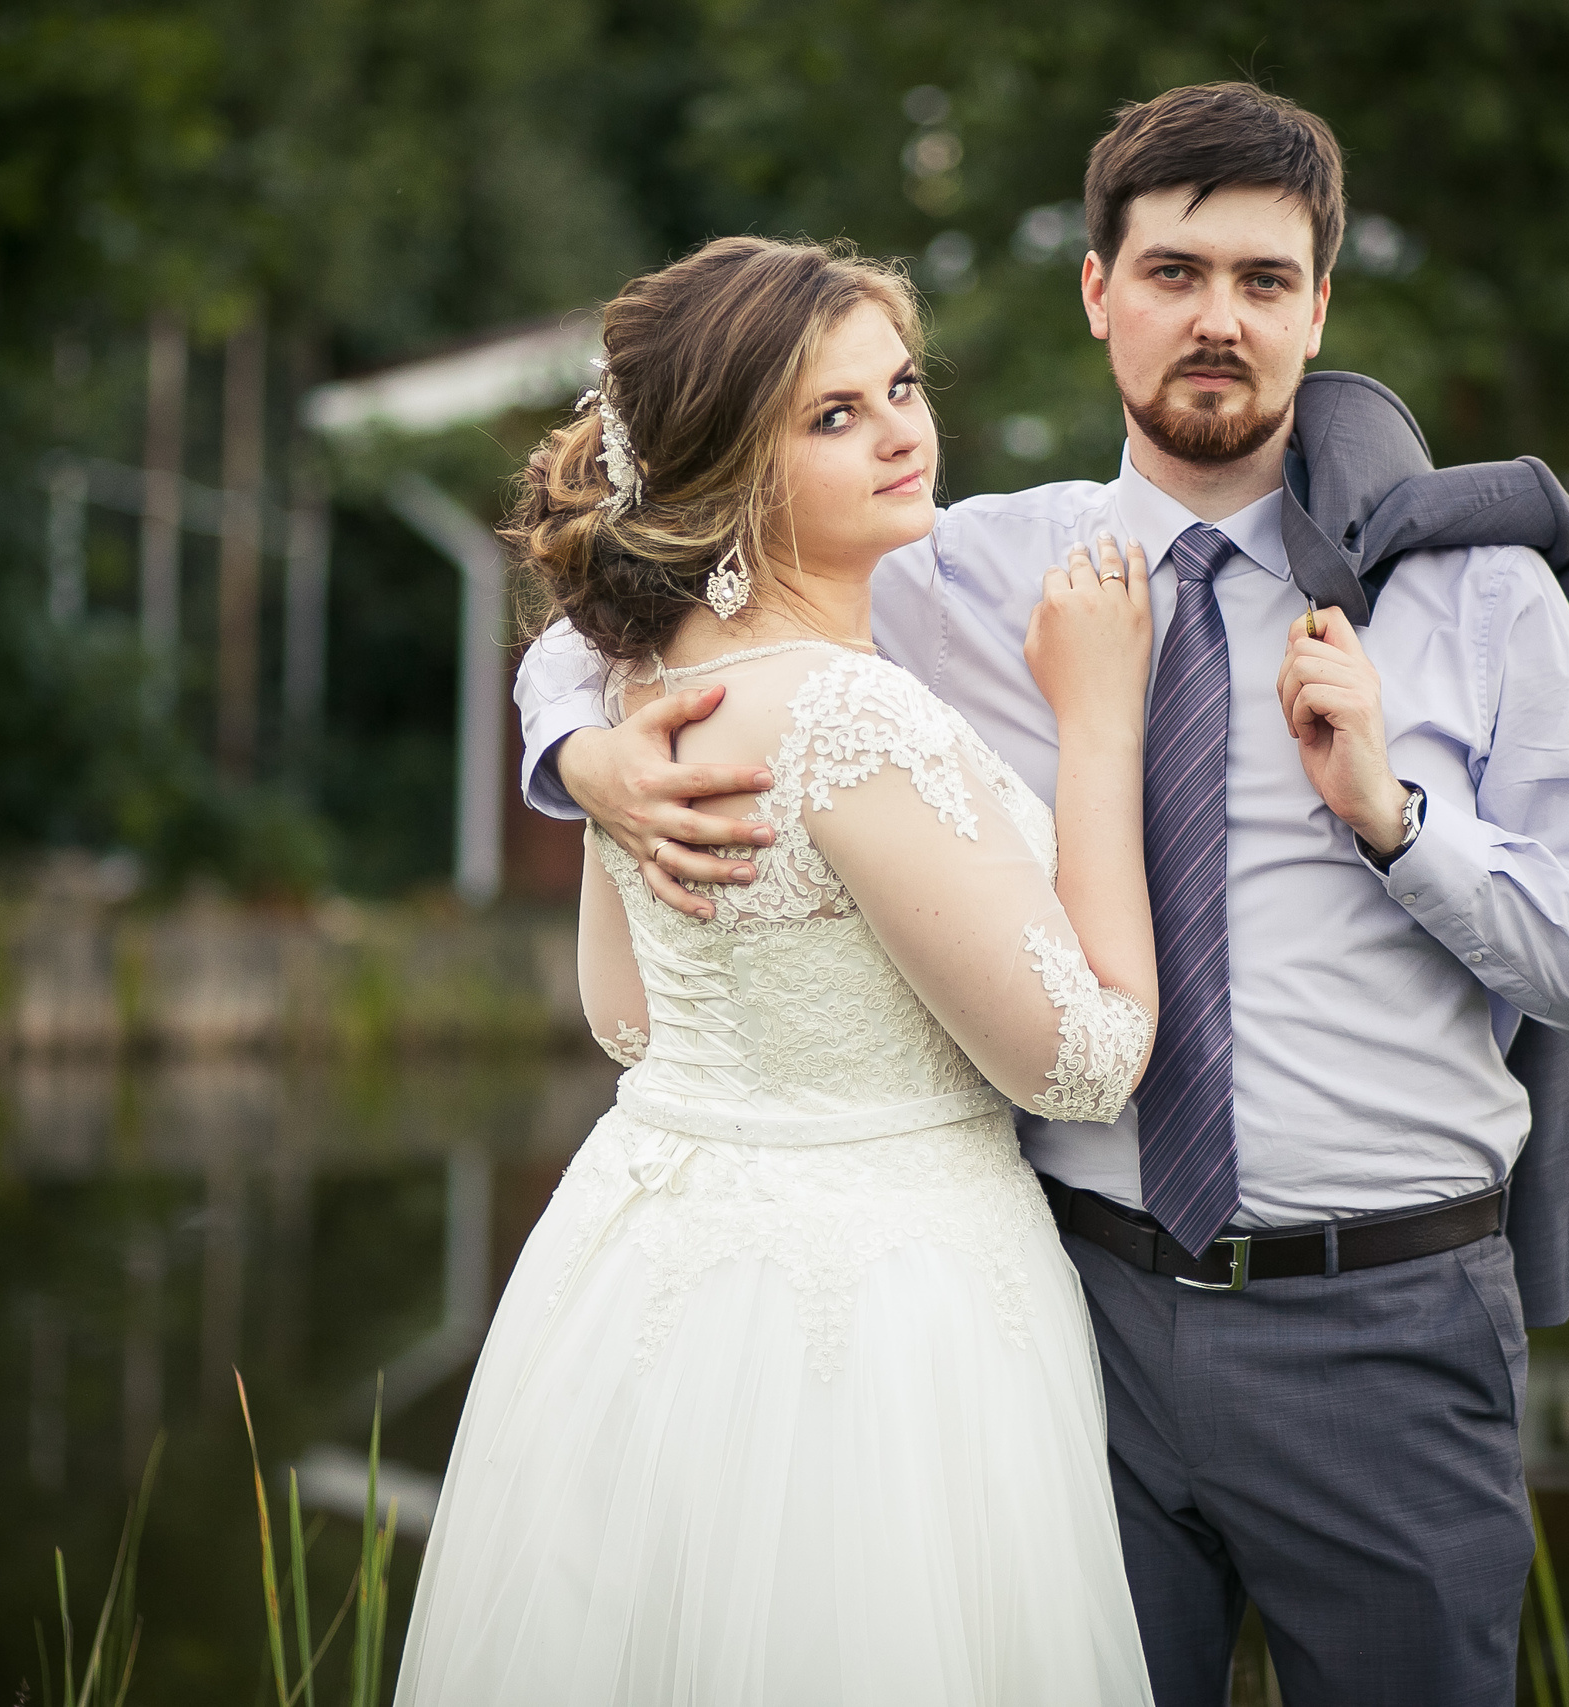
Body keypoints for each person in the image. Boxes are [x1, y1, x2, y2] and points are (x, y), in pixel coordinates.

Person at [516, 84, 1569, 1705]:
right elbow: (649, 594)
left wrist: (1400, 820)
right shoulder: (954, 571)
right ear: (1097, 293)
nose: (1217, 320)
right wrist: (580, 758)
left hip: (1386, 1336)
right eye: (1173, 273)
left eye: (1264, 281)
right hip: (1065, 1335)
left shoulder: (1472, 595)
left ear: (1319, 308)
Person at [395, 235, 1163, 1706]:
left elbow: (628, 1021)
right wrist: (1101, 719)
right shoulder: (849, 718)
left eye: (901, 386)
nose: (900, 431)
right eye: (834, 416)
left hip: (646, 1277)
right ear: (737, 476)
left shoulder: (642, 700)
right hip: (884, 1322)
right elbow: (1086, 1059)